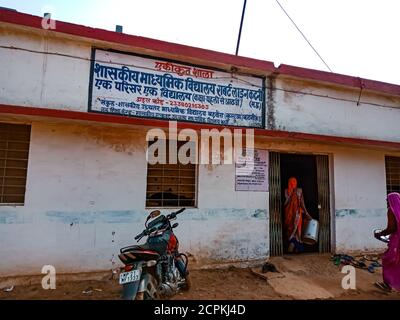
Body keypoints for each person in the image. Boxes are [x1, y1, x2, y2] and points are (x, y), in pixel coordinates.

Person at [374, 192, 400, 292]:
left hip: (397, 242)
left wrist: (380, 233)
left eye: (387, 200)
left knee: (388, 260)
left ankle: (388, 284)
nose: (386, 202)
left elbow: (391, 228)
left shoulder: (391, 211)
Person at [283, 177, 312, 253]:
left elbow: (285, 203)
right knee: (297, 230)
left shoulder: (286, 191)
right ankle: (295, 245)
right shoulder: (299, 191)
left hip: (288, 215)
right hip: (297, 215)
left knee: (290, 229)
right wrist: (306, 213)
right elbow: (302, 203)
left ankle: (293, 244)